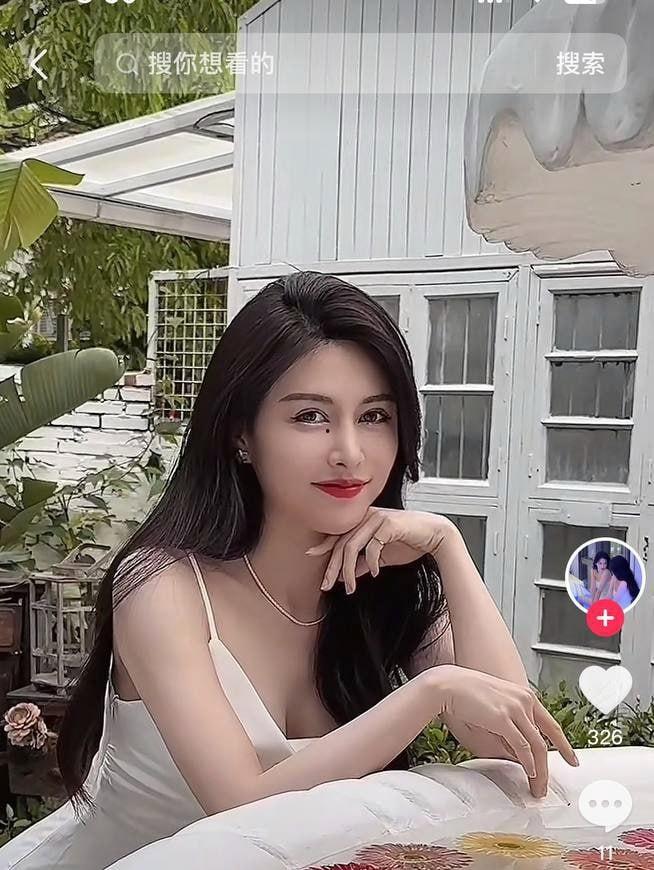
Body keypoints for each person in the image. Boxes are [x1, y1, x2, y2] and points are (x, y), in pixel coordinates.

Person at [1, 272, 578, 870]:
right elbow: (240, 807)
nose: (349, 452)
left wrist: (448, 548)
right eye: (309, 416)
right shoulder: (161, 588)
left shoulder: (386, 580)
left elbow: (517, 751)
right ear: (241, 434)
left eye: (374, 416)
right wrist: (432, 691)